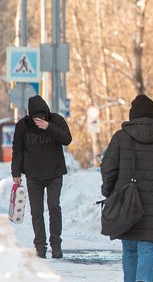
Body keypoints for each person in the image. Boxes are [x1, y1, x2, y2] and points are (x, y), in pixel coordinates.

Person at [101, 94, 153, 282]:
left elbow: (108, 168)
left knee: (129, 249)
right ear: (152, 117)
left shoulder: (120, 138)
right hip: (152, 207)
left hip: (125, 202)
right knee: (147, 248)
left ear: (132, 116)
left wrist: (109, 191)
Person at [11, 95, 73, 259]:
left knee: (54, 207)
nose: (39, 119)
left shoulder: (56, 120)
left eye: (42, 115)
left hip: (54, 173)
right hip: (33, 175)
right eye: (36, 116)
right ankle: (40, 246)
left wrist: (49, 127)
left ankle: (56, 245)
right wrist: (16, 172)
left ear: (46, 113)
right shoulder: (22, 126)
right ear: (30, 115)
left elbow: (67, 139)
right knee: (36, 212)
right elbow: (17, 150)